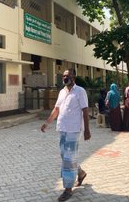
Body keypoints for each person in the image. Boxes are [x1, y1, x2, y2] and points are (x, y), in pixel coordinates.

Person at [40, 68, 91, 202]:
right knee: (66, 156)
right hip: (62, 128)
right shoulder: (62, 92)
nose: (64, 78)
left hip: (74, 130)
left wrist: (87, 130)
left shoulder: (80, 91)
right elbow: (56, 109)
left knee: (68, 159)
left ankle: (68, 189)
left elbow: (85, 110)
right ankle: (80, 173)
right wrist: (47, 123)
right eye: (63, 76)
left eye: (67, 76)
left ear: (73, 76)